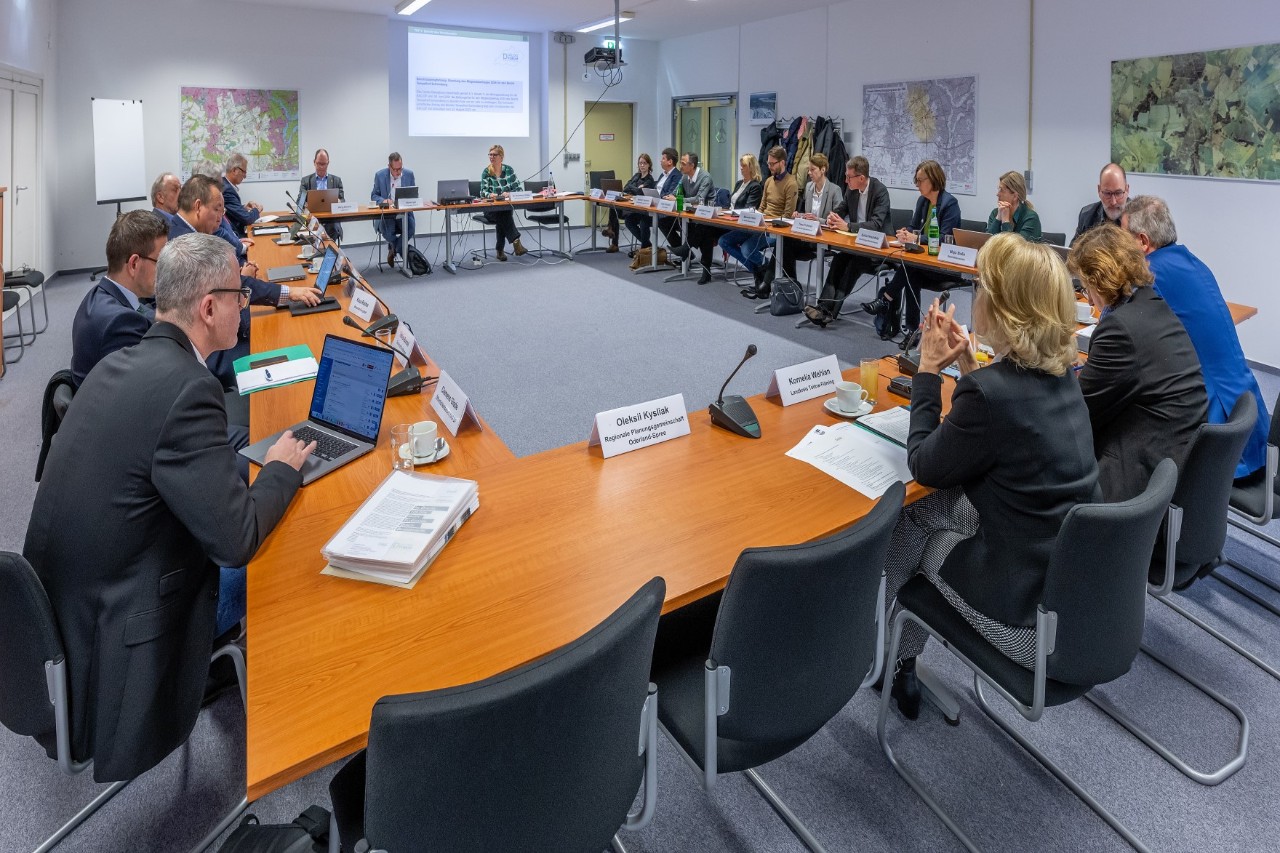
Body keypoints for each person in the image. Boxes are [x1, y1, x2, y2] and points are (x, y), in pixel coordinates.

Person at [24, 232, 315, 783]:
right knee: (284, 556)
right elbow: (237, 539)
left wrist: (228, 453)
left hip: (67, 620)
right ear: (209, 307)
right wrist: (280, 468)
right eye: (239, 296)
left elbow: (163, 459)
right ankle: (296, 727)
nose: (243, 305)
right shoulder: (189, 388)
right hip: (121, 644)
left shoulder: (119, 365)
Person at [882, 233, 1098, 719]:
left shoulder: (991, 395)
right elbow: (1006, 429)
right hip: (1075, 595)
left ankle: (872, 646)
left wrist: (926, 371)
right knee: (936, 512)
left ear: (1001, 307)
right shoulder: (1063, 376)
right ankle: (892, 656)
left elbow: (924, 464)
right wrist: (969, 367)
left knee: (912, 522)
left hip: (1028, 626)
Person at [1124, 195, 1270, 481]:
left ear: (1142, 241)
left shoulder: (1152, 271)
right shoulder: (1191, 262)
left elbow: (1115, 323)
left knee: (1126, 432)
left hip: (1221, 441)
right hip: (1248, 422)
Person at [1068, 225, 1206, 502]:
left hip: (1145, 478)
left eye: (1085, 285)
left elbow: (1078, 413)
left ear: (1099, 278)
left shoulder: (1119, 328)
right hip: (1179, 459)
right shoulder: (1153, 303)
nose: (1088, 295)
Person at [171, 175, 321, 386]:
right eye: (217, 209)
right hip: (214, 354)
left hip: (208, 338)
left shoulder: (183, 231)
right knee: (289, 349)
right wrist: (289, 293)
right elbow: (231, 286)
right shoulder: (184, 242)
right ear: (198, 206)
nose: (221, 217)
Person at [861, 159, 961, 339]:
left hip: (944, 267)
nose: (917, 184)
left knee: (909, 269)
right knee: (910, 271)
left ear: (933, 179)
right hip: (922, 264)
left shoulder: (949, 204)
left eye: (920, 180)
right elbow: (913, 226)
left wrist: (917, 238)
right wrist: (905, 233)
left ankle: (886, 301)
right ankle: (912, 330)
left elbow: (946, 239)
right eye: (916, 180)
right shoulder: (923, 202)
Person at [70, 210, 167, 387]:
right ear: (134, 264)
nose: (164, 271)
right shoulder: (120, 323)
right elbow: (149, 385)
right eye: (160, 262)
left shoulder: (99, 294)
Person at [802, 156, 891, 327]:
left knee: (852, 265)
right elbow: (841, 209)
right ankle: (823, 308)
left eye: (849, 177)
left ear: (861, 178)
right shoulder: (851, 190)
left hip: (878, 249)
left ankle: (828, 312)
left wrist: (848, 226)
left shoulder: (880, 191)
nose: (845, 180)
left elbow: (876, 224)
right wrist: (832, 217)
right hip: (857, 245)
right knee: (839, 260)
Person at [726, 145, 798, 299]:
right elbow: (762, 207)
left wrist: (765, 220)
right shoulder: (768, 181)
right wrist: (756, 217)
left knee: (746, 249)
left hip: (776, 229)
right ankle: (763, 270)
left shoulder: (791, 183)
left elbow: (787, 215)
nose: (769, 167)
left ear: (782, 162)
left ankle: (764, 271)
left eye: (772, 164)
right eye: (769, 163)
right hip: (762, 225)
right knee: (725, 240)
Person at [680, 153, 764, 285]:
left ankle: (687, 250)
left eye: (744, 166)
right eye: (740, 166)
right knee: (705, 229)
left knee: (706, 230)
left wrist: (730, 212)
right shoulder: (739, 184)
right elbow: (731, 204)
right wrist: (723, 211)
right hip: (729, 221)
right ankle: (705, 270)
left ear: (751, 167)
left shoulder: (755, 186)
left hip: (742, 225)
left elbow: (749, 209)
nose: (741, 168)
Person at [779, 152, 842, 282]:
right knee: (783, 243)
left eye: (812, 169)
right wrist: (800, 215)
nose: (809, 173)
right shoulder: (808, 187)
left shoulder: (835, 190)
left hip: (823, 237)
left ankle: (787, 285)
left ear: (823, 169)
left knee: (784, 248)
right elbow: (808, 215)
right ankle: (791, 284)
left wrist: (817, 220)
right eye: (809, 169)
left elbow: (838, 221)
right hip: (807, 234)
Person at [477, 144, 528, 261]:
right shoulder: (486, 172)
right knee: (504, 215)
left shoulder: (509, 170)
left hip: (504, 207)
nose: (491, 157)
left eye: (494, 155)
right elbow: (482, 192)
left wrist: (509, 194)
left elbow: (518, 189)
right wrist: (491, 195)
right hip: (490, 209)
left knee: (503, 214)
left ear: (502, 157)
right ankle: (516, 242)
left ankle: (500, 250)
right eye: (490, 154)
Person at [667, 151, 716, 267]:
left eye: (683, 163)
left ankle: (685, 251)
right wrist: (668, 197)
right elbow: (674, 193)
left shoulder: (705, 177)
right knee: (664, 221)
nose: (680, 166)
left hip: (706, 217)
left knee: (698, 228)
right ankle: (684, 251)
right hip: (691, 213)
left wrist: (678, 200)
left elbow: (699, 199)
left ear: (692, 165)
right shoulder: (684, 176)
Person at [371, 152, 417, 266]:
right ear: (389, 167)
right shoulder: (380, 175)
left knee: (410, 229)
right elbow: (374, 196)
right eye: (395, 169)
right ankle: (402, 251)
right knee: (387, 232)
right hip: (387, 214)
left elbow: (414, 195)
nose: (398, 172)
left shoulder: (409, 174)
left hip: (404, 212)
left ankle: (394, 249)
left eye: (400, 169)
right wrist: (383, 200)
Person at [606, 153, 655, 254]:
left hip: (640, 210)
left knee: (630, 221)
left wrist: (634, 189)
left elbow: (639, 192)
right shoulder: (636, 176)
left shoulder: (650, 180)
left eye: (644, 163)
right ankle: (614, 242)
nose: (642, 165)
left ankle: (646, 245)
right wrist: (636, 188)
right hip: (630, 206)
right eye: (640, 163)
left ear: (649, 165)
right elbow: (626, 188)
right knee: (613, 207)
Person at [1072, 163, 1129, 245]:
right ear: (1099, 190)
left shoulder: (1138, 218)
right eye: (1107, 193)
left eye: (1118, 193)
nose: (1113, 202)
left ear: (1127, 190)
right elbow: (1072, 253)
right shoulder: (1087, 215)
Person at [299, 147, 344, 242]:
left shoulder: (336, 180)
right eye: (319, 164)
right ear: (314, 162)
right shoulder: (306, 181)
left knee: (334, 228)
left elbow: (343, 200)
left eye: (324, 164)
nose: (322, 167)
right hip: (312, 218)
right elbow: (300, 201)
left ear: (328, 163)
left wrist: (339, 201)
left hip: (331, 219)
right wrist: (306, 205)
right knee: (310, 230)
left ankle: (328, 250)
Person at [985, 170, 1041, 241]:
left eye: (1001, 190)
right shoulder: (995, 213)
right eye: (998, 189)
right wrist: (998, 218)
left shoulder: (1031, 218)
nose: (997, 194)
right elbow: (987, 244)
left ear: (1015, 196)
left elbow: (1015, 250)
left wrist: (1005, 221)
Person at [222, 152, 262, 237]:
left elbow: (231, 211)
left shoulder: (225, 184)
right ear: (235, 170)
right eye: (244, 172)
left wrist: (243, 207)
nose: (245, 176)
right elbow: (247, 219)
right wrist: (257, 210)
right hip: (237, 236)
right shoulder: (227, 190)